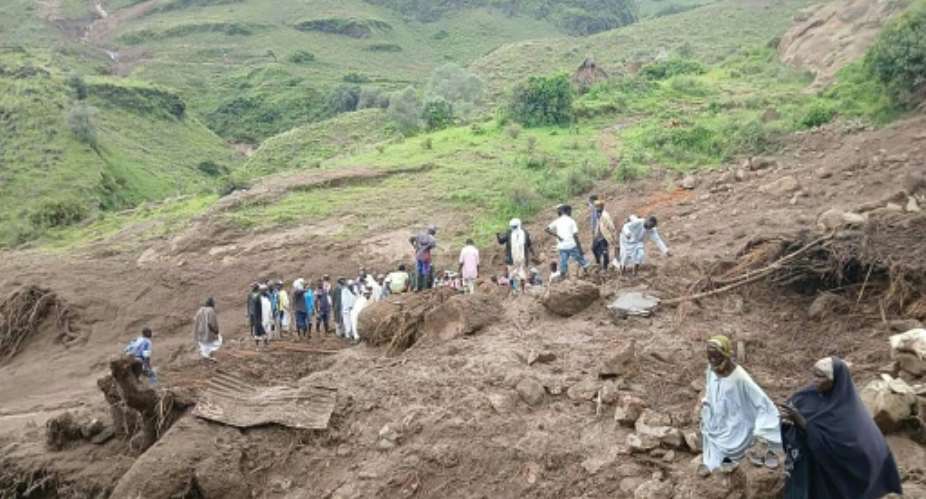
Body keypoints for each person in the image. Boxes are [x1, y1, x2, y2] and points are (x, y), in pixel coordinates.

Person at [778, 357, 902, 499]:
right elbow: (791, 412)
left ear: (835, 380)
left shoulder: (847, 410)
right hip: (807, 467)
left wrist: (804, 425)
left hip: (832, 476)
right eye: (814, 374)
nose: (815, 380)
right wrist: (788, 422)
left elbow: (845, 447)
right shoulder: (805, 395)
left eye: (821, 376)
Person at [699, 335, 781, 475]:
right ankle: (717, 460)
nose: (712, 361)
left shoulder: (740, 378)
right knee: (708, 427)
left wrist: (761, 430)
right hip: (719, 419)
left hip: (738, 424)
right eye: (709, 357)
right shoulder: (712, 369)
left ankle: (732, 458)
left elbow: (763, 404)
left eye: (716, 357)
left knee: (731, 441)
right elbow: (710, 390)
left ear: (726, 355)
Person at [545, 204, 589, 278]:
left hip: (562, 246)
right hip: (571, 245)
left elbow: (546, 229)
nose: (571, 213)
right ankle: (587, 272)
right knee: (580, 259)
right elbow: (575, 236)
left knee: (563, 261)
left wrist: (557, 236)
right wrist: (580, 248)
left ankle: (563, 277)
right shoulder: (571, 221)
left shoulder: (557, 221)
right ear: (567, 211)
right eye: (570, 211)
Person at [497, 219, 534, 294]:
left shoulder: (509, 232)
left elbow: (501, 241)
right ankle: (523, 290)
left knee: (511, 274)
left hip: (511, 258)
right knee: (521, 273)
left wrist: (497, 235)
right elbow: (529, 244)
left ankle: (514, 290)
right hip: (522, 258)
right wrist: (532, 252)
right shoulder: (525, 232)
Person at [409, 225, 438, 291]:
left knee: (418, 271)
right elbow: (433, 246)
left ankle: (417, 287)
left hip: (418, 256)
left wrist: (414, 246)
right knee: (425, 272)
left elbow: (410, 238)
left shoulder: (420, 235)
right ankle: (424, 288)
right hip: (426, 257)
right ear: (433, 232)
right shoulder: (432, 238)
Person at [193, 297, 221, 361]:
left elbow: (196, 321)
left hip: (200, 332)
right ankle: (207, 357)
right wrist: (216, 331)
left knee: (203, 346)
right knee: (211, 345)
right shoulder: (210, 311)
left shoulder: (200, 310)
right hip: (208, 333)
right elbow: (212, 323)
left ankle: (204, 356)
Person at [592, 200, 617, 271]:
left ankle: (605, 267)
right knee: (594, 249)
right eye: (595, 207)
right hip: (598, 236)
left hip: (604, 237)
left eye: (597, 207)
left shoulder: (605, 215)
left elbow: (611, 226)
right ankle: (598, 263)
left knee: (604, 251)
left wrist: (613, 236)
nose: (596, 208)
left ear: (602, 207)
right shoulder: (598, 214)